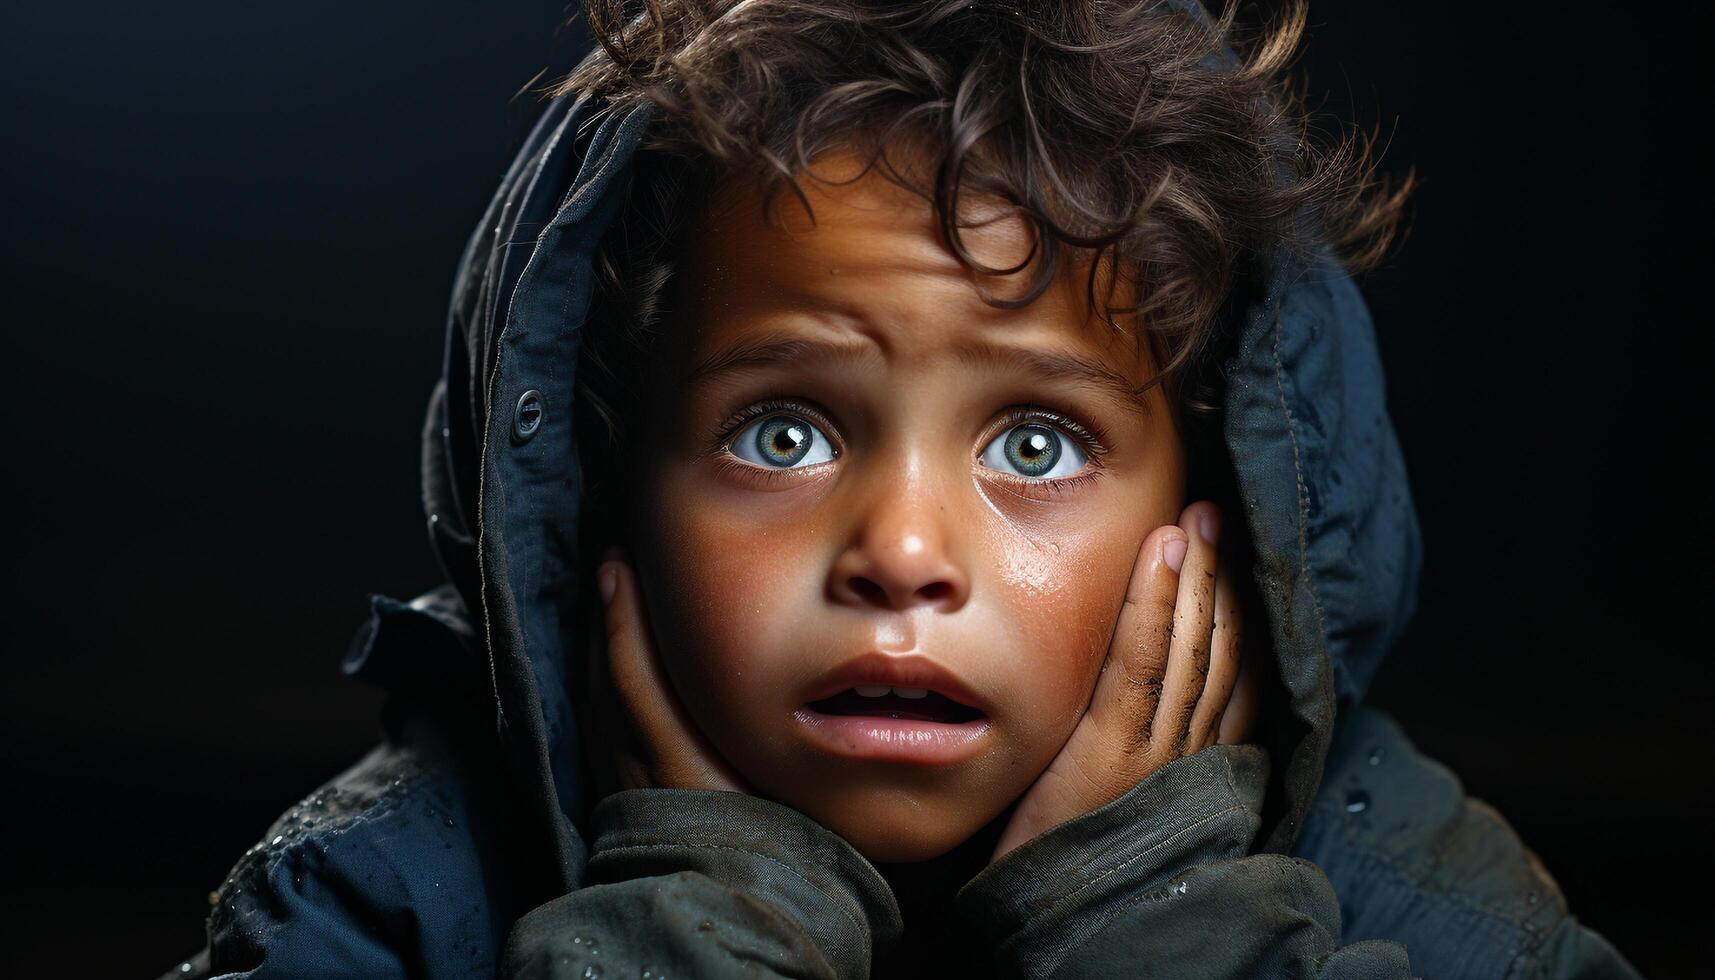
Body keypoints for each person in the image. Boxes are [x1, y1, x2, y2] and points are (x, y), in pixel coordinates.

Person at [160, 2, 1641, 977]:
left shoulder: (1428, 910)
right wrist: (695, 935)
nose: (903, 551)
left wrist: (1155, 932)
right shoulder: (373, 907)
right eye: (786, 434)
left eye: (1037, 446)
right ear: (608, 493)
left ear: (1231, 522)